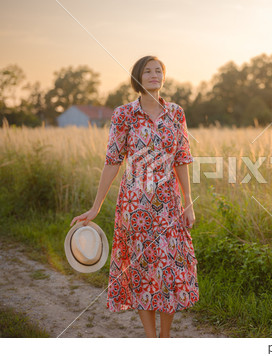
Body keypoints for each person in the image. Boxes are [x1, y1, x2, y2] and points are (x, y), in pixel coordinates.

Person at [70, 55, 199, 338]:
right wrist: (95, 207)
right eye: (147, 71)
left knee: (169, 266)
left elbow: (182, 158)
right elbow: (113, 161)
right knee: (142, 269)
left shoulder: (176, 113)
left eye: (158, 71)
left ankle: (165, 337)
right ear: (137, 77)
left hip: (168, 202)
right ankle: (151, 339)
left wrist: (188, 201)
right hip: (135, 205)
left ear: (163, 77)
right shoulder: (124, 114)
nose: (154, 75)